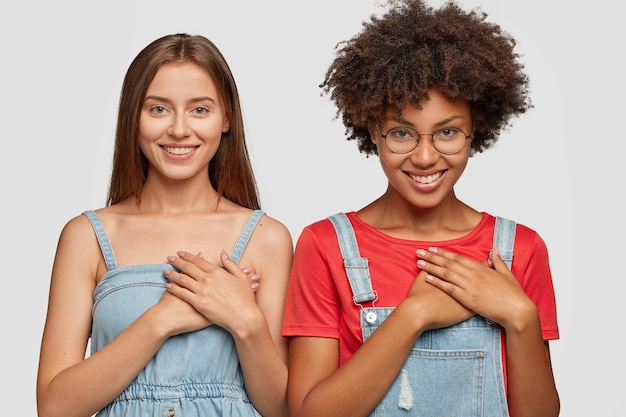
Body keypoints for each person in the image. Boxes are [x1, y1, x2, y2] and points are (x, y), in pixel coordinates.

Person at [282, 1, 560, 416]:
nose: (426, 157)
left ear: (475, 129)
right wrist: (413, 315)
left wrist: (520, 316)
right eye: (402, 133)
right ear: (373, 130)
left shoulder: (520, 249)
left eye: (447, 132)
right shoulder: (326, 246)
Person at [36, 33, 293, 417]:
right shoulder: (86, 237)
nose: (178, 129)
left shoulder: (267, 238)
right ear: (132, 118)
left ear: (226, 119)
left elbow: (282, 411)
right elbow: (54, 408)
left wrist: (246, 321)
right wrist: (163, 319)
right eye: (158, 109)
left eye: (199, 110)